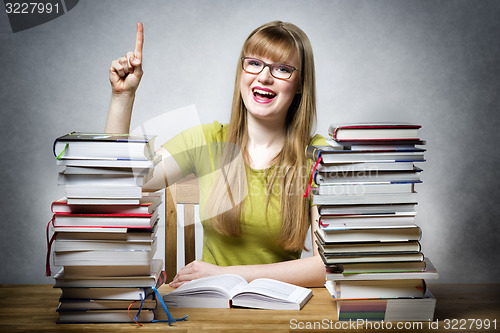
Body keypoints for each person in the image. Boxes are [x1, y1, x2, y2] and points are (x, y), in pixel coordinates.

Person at [105, 21, 326, 288]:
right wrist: (122, 96)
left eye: (282, 69)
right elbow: (121, 182)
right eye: (254, 63)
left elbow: (327, 265)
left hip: (279, 310)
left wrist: (231, 274)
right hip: (209, 307)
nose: (264, 77)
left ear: (300, 83)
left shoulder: (318, 156)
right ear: (241, 72)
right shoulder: (207, 140)